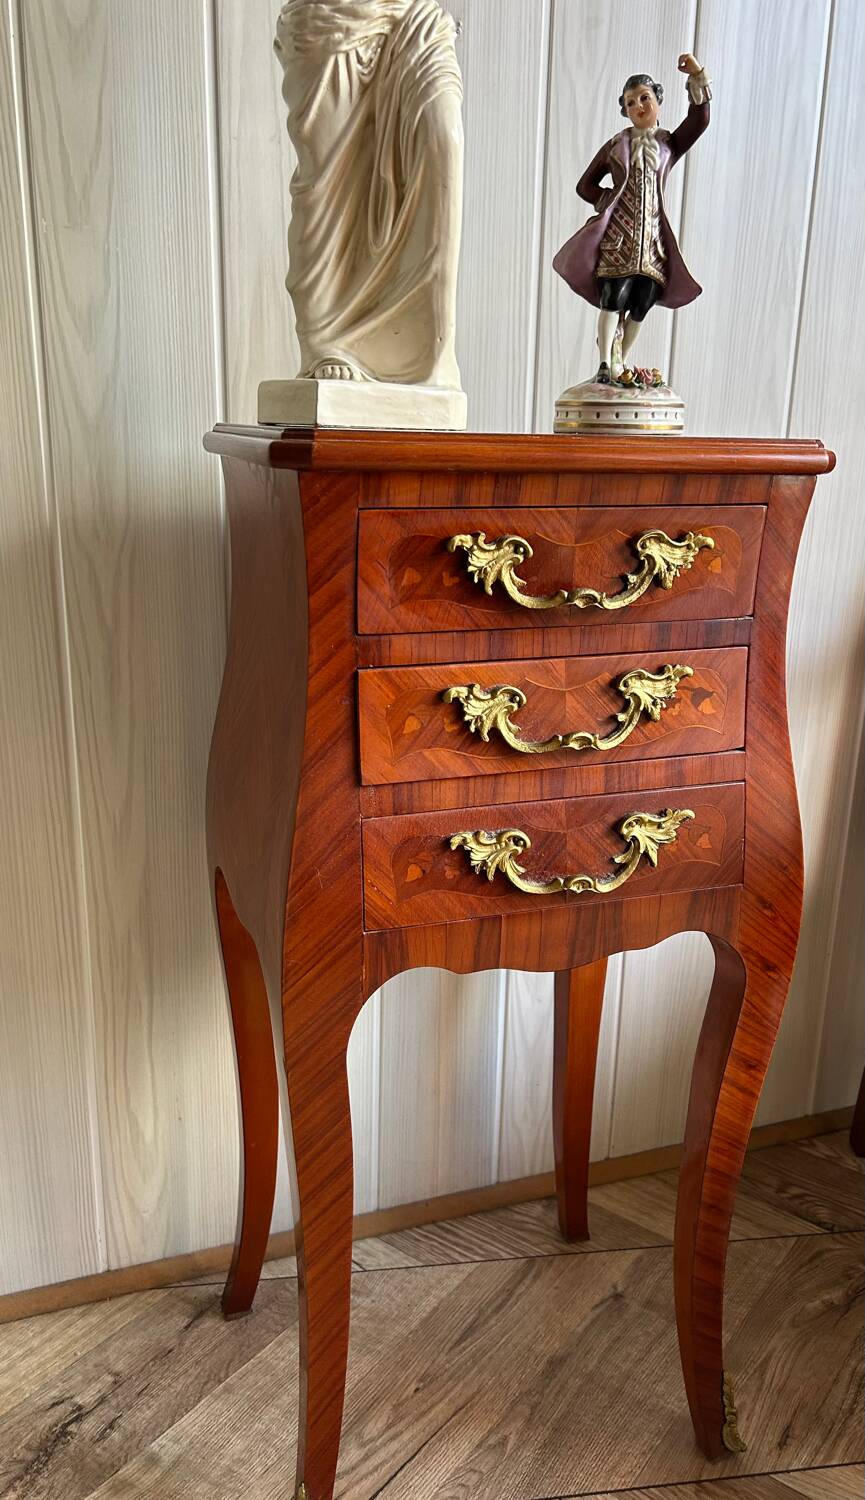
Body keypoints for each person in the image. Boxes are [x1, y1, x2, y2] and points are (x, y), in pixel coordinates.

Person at [275, 0, 464, 390]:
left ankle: (427, 353)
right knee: (327, 188)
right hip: (334, 17)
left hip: (413, 16)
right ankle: (327, 339)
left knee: (443, 140)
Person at [553, 53, 712, 384]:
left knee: (643, 300)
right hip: (620, 238)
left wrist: (697, 75)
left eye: (644, 98)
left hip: (652, 242)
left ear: (657, 102)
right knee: (614, 297)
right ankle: (603, 363)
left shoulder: (668, 143)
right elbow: (585, 185)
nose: (639, 106)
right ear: (623, 109)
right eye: (630, 102)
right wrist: (608, 200)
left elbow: (699, 121)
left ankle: (619, 358)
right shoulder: (617, 145)